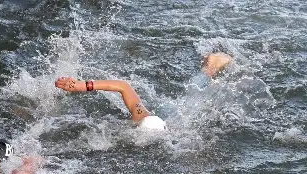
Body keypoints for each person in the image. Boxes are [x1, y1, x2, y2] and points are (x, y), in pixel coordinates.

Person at [54, 52, 234, 130]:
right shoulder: (142, 117)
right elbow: (123, 86)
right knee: (189, 98)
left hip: (171, 117)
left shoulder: (146, 121)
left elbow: (123, 86)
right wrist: (83, 85)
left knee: (194, 97)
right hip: (167, 113)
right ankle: (210, 68)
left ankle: (210, 69)